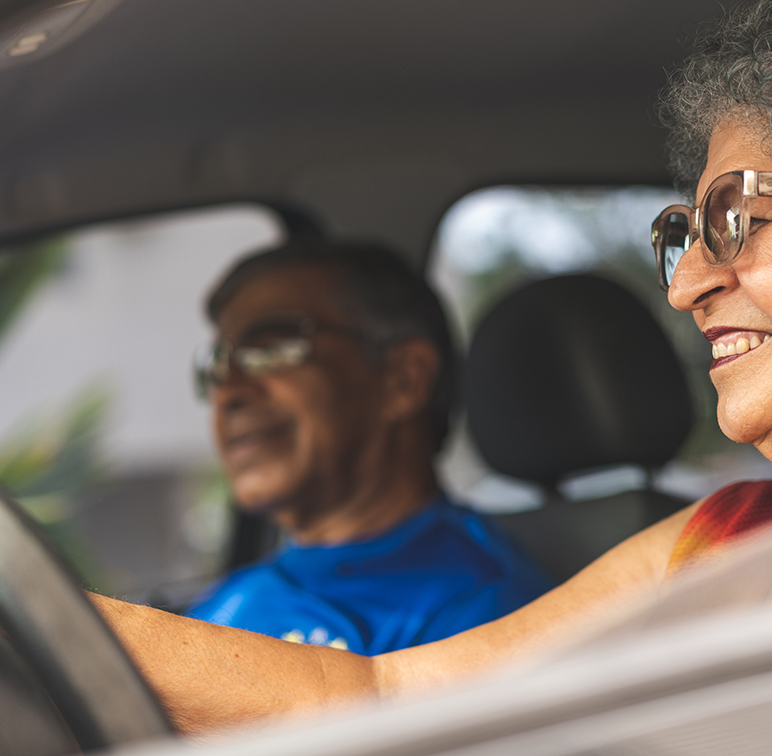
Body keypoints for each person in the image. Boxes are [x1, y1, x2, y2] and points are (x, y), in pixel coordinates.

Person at [87, 0, 772, 733]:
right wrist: (41, 616)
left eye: (735, 220)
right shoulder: (719, 536)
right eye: (681, 233)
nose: (684, 282)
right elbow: (386, 689)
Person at [182, 241, 552, 655]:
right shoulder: (236, 597)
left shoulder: (482, 615)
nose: (227, 392)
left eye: (271, 348)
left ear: (402, 380)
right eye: (217, 365)